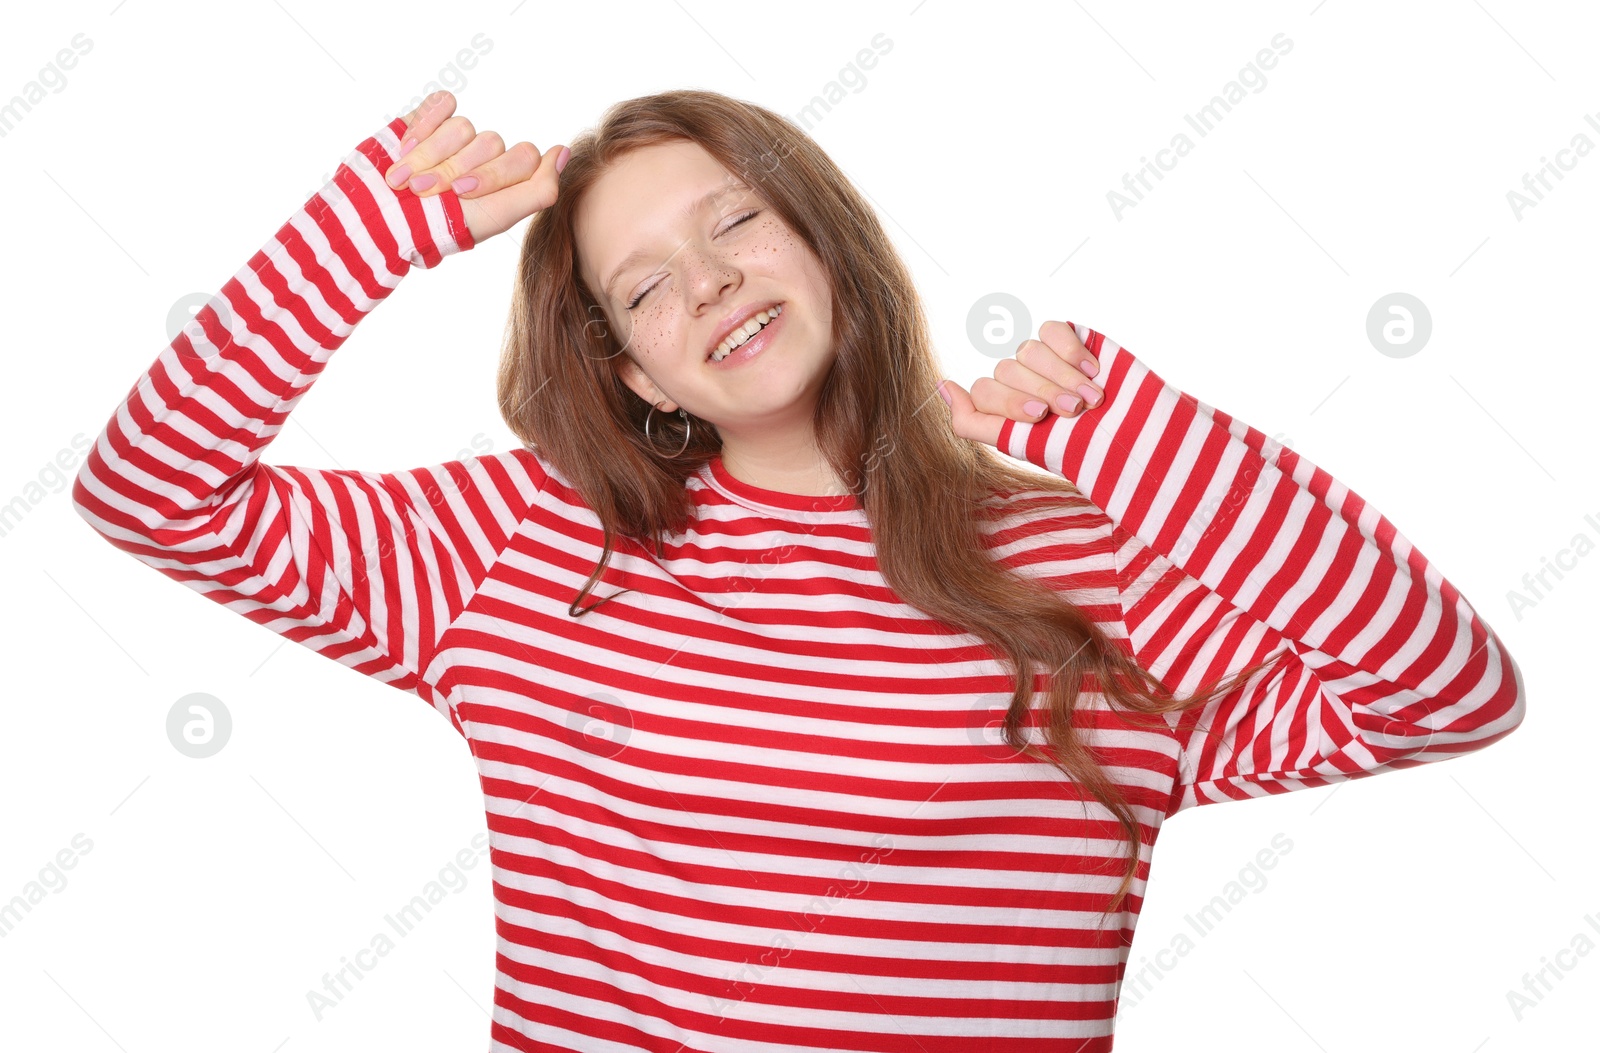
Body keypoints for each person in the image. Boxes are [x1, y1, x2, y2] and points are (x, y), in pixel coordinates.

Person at [71, 87, 1526, 1052]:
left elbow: (1448, 694)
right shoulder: (513, 541)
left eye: (734, 223)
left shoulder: (1084, 561)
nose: (704, 282)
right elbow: (150, 492)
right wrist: (365, 240)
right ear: (627, 362)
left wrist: (1121, 432)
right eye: (643, 284)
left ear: (823, 239)